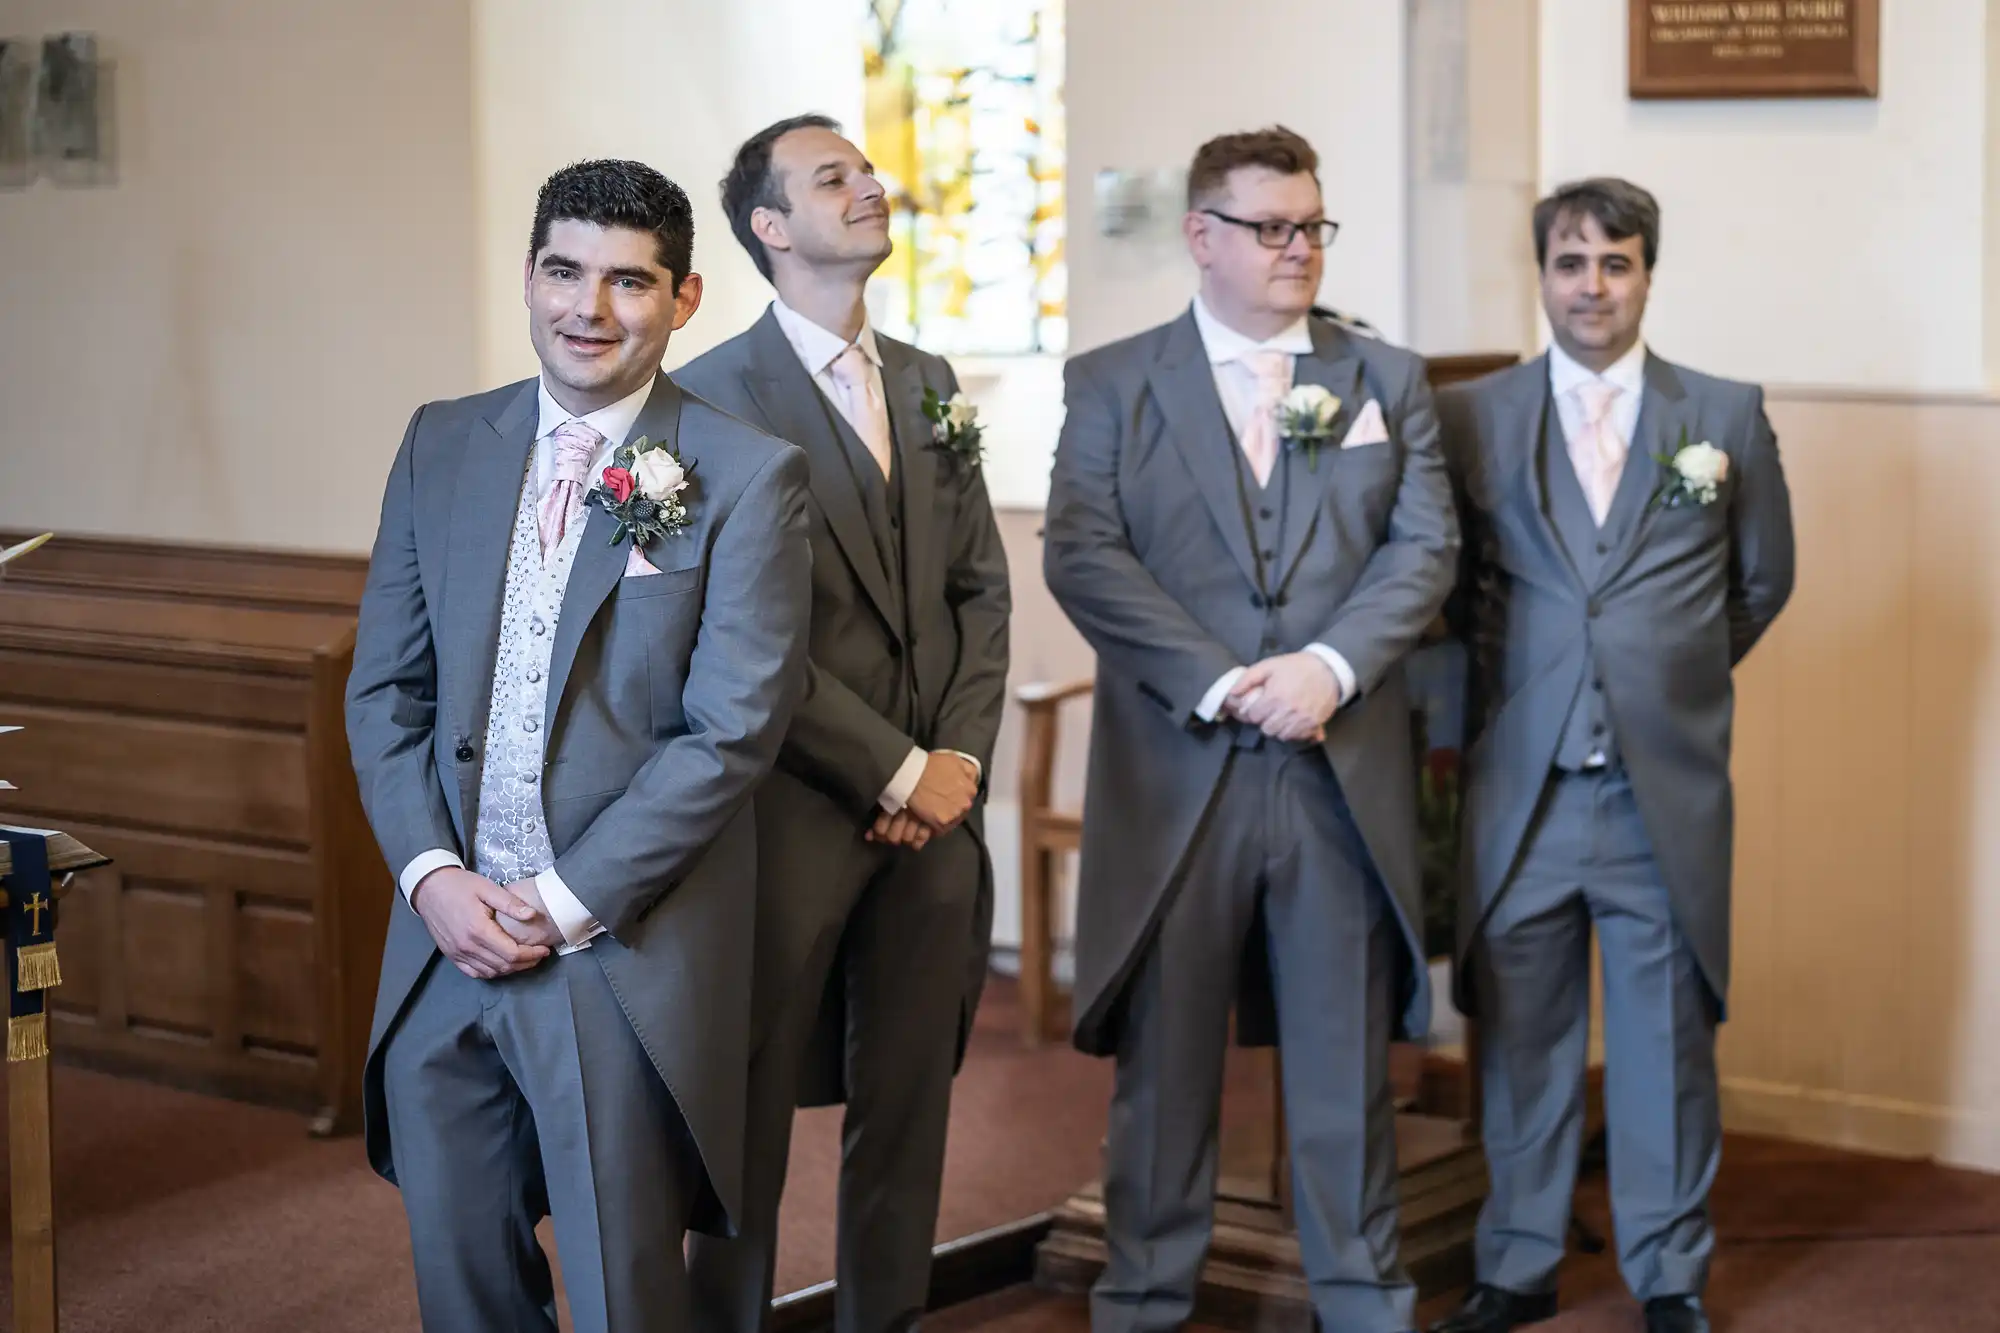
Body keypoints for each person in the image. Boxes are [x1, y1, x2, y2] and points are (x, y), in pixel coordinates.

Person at [344, 158, 813, 1333]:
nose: (586, 310)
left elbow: (730, 734)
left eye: (627, 282)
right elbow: (385, 691)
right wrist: (430, 877)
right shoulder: (441, 442)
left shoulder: (748, 475)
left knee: (621, 1295)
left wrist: (559, 902)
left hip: (614, 949)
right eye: (563, 271)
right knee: (461, 1286)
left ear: (685, 298)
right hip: (441, 946)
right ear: (529, 274)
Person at [1041, 124, 1458, 1333]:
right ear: (1201, 237)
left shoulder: (1387, 382)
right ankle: (1142, 1304)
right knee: (1165, 1077)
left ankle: (1363, 1303)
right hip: (1181, 775)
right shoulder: (1112, 381)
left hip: (1337, 772)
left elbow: (1423, 549)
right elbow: (1084, 554)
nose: (1297, 250)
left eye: (1311, 227)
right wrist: (1223, 683)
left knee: (1341, 1074)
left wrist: (1328, 669)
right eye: (1271, 227)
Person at [1430, 177, 1795, 1333]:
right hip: (1520, 789)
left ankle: (1668, 1273)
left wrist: (1663, 674)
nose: (1591, 287)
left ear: (1647, 272)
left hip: (1657, 793)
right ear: (1539, 274)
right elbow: (1444, 589)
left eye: (1615, 263)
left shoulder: (1722, 416)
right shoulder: (1475, 415)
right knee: (1522, 1041)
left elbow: (1759, 581)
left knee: (1661, 1046)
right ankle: (1516, 1261)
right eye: (1569, 263)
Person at [675, 115, 1011, 1333]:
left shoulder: (926, 382)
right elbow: (740, 639)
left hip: (936, 826)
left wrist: (958, 764)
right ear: (770, 229)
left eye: (865, 171)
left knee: (909, 1107)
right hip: (789, 812)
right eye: (835, 178)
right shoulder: (707, 396)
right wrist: (895, 767)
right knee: (745, 1116)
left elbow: (981, 588)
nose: (870, 186)